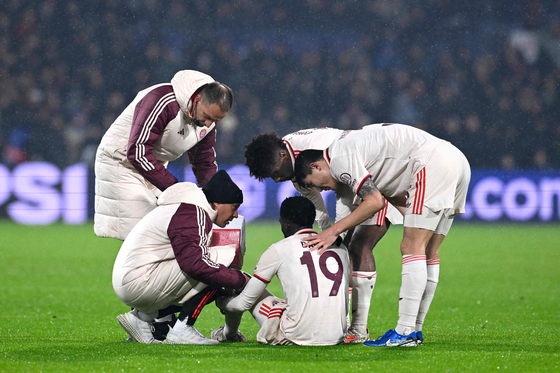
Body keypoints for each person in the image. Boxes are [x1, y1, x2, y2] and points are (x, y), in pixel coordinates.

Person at [294, 123, 471, 347]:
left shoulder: (338, 158)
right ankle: (414, 330)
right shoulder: (364, 156)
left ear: (317, 166)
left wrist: (332, 231)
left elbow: (375, 202)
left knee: (411, 247)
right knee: (429, 250)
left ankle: (405, 331)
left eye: (314, 184)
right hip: (455, 160)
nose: (321, 190)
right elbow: (393, 198)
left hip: (430, 162)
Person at [244, 128, 402, 343]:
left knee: (359, 247)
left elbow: (349, 154)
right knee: (342, 249)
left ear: (282, 156)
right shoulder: (296, 171)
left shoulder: (317, 144)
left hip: (369, 179)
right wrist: (328, 235)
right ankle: (343, 325)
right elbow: (319, 208)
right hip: (348, 188)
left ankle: (358, 328)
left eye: (274, 172)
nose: (277, 179)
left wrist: (333, 233)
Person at [112, 170, 250, 345]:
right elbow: (195, 265)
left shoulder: (186, 207)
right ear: (217, 203)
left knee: (213, 271)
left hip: (134, 279)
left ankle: (143, 317)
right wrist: (239, 280)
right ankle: (183, 328)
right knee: (224, 257)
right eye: (234, 207)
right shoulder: (194, 212)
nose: (236, 215)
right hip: (139, 281)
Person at [95, 69, 234, 241]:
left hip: (153, 167)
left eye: (215, 120)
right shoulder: (162, 100)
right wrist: (177, 188)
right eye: (207, 117)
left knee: (165, 231)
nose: (208, 124)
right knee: (147, 234)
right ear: (197, 100)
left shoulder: (207, 118)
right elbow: (137, 151)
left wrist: (215, 196)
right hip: (122, 164)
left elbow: (203, 160)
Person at [213, 196, 350, 345]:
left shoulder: (279, 249)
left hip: (295, 336)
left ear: (285, 223)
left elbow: (243, 304)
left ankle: (229, 334)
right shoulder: (340, 248)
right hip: (337, 335)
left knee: (241, 280)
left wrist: (222, 302)